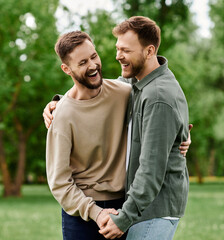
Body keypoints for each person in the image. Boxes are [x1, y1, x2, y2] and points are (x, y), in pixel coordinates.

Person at [45, 30, 191, 240]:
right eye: (83, 62)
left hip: (123, 207)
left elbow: (163, 101)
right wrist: (96, 212)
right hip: (82, 215)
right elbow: (59, 182)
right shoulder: (62, 115)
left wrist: (182, 134)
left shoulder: (123, 92)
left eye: (94, 56)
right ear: (66, 69)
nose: (93, 65)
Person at [97, 16, 190, 240]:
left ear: (149, 51)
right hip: (143, 207)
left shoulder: (157, 96)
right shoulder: (138, 83)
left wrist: (124, 218)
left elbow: (151, 170)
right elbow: (99, 93)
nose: (118, 56)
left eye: (126, 50)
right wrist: (60, 103)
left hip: (154, 211)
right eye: (118, 48)